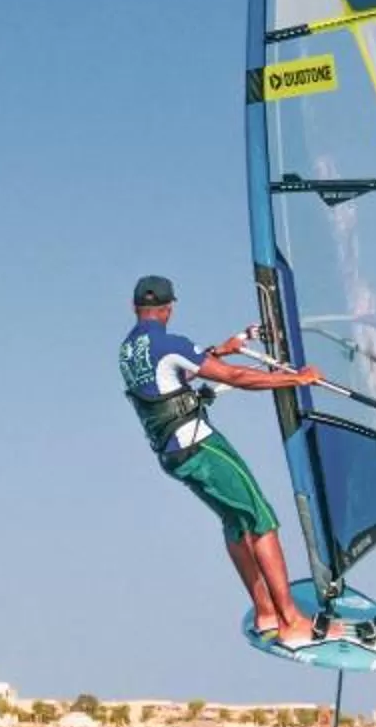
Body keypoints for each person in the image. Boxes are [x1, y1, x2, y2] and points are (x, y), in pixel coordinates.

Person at [118, 274, 329, 648]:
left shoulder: (129, 350)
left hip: (173, 455)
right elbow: (233, 378)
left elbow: (172, 374)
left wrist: (224, 348)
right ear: (169, 309)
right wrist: (295, 379)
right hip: (202, 447)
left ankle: (265, 613)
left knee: (235, 521)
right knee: (262, 520)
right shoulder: (170, 342)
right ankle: (292, 622)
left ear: (137, 308)